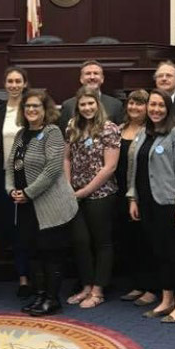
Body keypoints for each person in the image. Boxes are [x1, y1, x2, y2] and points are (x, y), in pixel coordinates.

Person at [6, 89, 78, 316]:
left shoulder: (52, 132)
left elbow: (52, 169)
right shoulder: (21, 134)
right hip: (27, 207)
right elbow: (11, 165)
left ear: (45, 109)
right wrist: (11, 190)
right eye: (27, 106)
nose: (31, 110)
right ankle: (39, 295)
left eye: (36, 106)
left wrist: (28, 192)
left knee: (51, 253)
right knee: (34, 253)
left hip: (51, 206)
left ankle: (52, 299)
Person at [127, 89, 175, 323]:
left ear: (168, 108)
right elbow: (133, 168)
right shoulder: (144, 132)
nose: (155, 109)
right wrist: (133, 198)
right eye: (152, 105)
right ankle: (166, 300)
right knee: (159, 253)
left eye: (160, 105)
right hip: (146, 203)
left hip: (169, 204)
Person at [64, 86, 121, 309]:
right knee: (80, 241)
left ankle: (98, 290)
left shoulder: (109, 128)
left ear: (98, 105)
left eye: (91, 103)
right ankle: (86, 286)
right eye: (83, 104)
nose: (87, 108)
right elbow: (66, 158)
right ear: (77, 107)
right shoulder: (72, 126)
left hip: (101, 194)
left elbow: (110, 167)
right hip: (74, 193)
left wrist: (84, 192)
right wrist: (69, 187)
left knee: (102, 242)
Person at [116, 89, 158, 307]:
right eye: (131, 103)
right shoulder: (119, 129)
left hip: (142, 193)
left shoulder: (150, 132)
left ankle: (152, 287)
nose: (134, 108)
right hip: (120, 193)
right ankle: (138, 284)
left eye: (140, 104)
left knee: (147, 241)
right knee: (129, 240)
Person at [0, 65, 31, 297]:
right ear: (5, 85)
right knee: (14, 230)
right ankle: (23, 277)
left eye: (18, 81)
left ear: (25, 83)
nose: (14, 85)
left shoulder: (33, 108)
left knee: (31, 229)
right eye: (10, 81)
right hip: (4, 177)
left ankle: (35, 274)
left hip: (31, 178)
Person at [58, 60, 124, 132]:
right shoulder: (68, 105)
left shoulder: (116, 104)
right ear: (81, 79)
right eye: (88, 74)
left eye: (96, 73)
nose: (92, 77)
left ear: (102, 79)